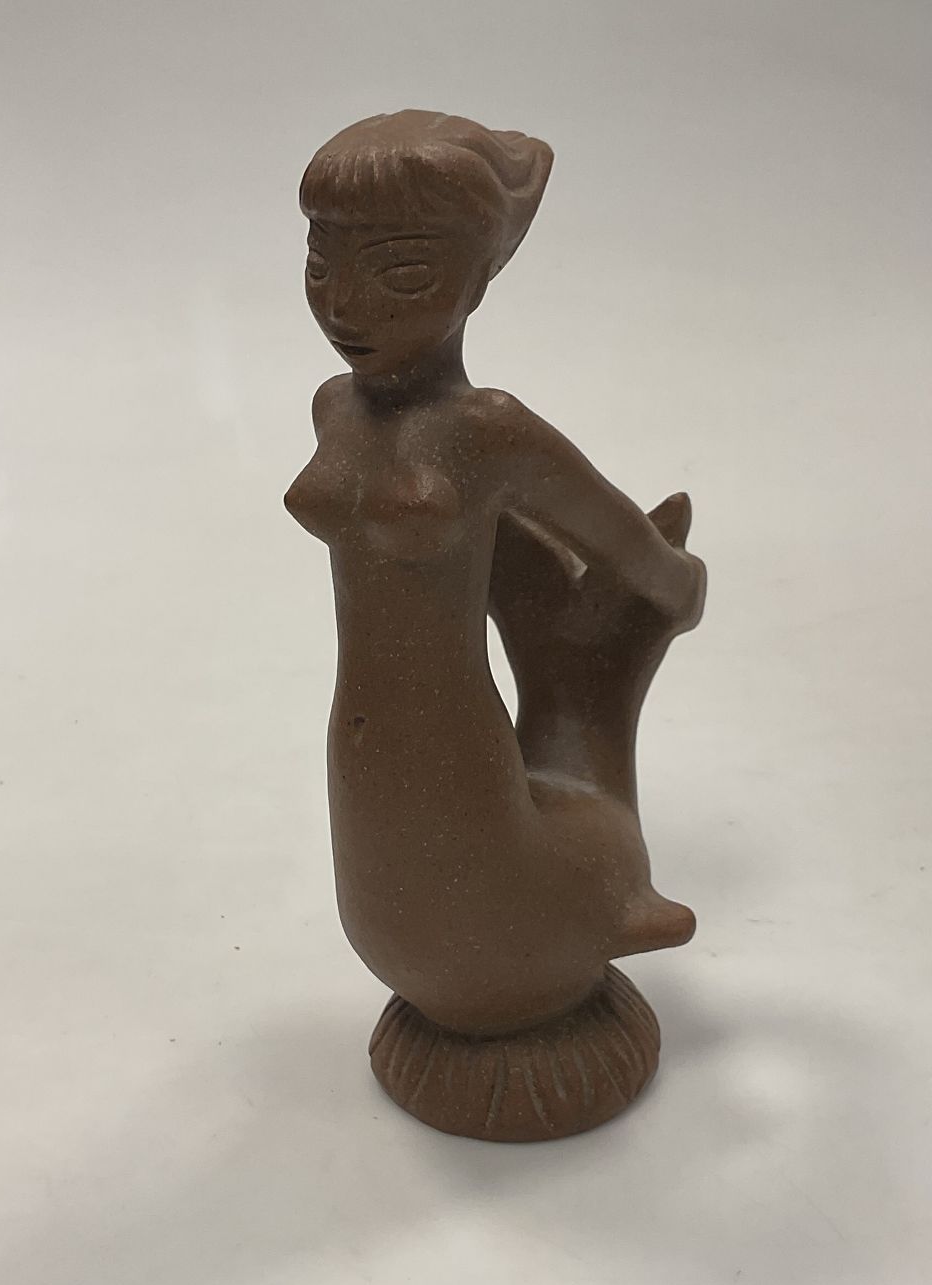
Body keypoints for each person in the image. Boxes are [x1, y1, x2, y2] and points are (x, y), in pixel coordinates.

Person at [285, 111, 705, 1122]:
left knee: (470, 914)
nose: (344, 304)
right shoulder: (336, 407)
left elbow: (627, 542)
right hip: (363, 737)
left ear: (478, 280)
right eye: (321, 263)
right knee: (393, 913)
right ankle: (479, 988)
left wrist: (671, 593)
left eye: (401, 273)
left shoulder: (492, 431)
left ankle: (549, 957)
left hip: (457, 748)